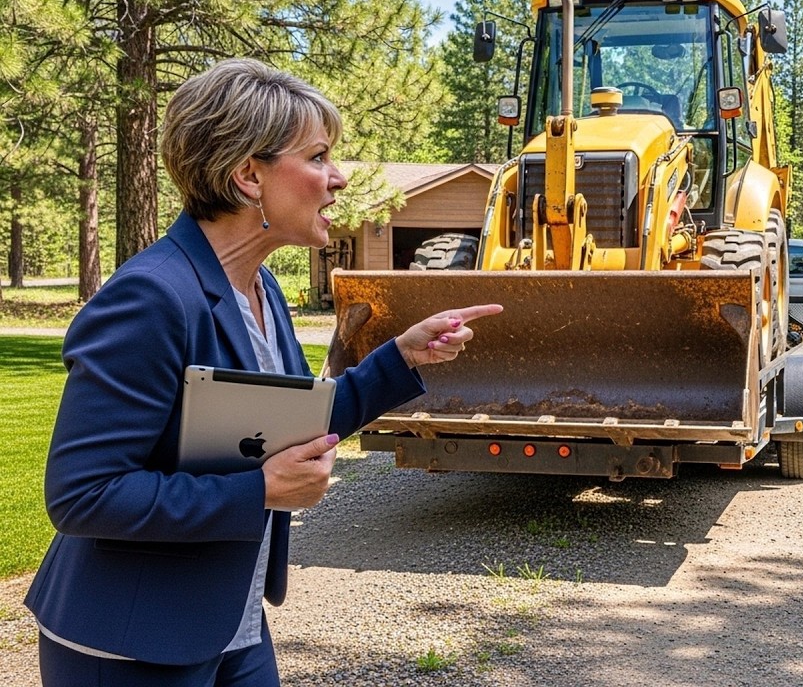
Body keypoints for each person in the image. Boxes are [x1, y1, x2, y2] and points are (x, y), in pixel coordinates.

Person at [24, 58, 502, 686]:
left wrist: (401, 358)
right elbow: (84, 493)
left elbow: (286, 426)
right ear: (249, 175)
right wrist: (260, 492)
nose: (338, 178)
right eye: (319, 156)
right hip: (132, 644)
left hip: (232, 624)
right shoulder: (150, 297)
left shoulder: (262, 286)